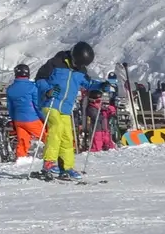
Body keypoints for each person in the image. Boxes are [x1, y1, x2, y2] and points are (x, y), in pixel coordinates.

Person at [37, 40, 113, 180]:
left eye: (81, 65)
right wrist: (48, 90)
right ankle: (48, 162)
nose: (78, 66)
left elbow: (89, 84)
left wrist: (101, 86)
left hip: (65, 108)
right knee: (57, 127)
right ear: (73, 56)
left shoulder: (81, 71)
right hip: (50, 103)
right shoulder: (55, 63)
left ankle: (66, 167)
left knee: (67, 137)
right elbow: (40, 79)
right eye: (77, 63)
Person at [7, 64, 45, 161]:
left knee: (22, 141)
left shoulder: (10, 89)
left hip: (18, 120)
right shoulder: (32, 87)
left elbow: (10, 107)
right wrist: (44, 119)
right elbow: (38, 105)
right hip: (32, 119)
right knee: (46, 136)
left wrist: (14, 120)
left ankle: (21, 159)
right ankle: (53, 157)